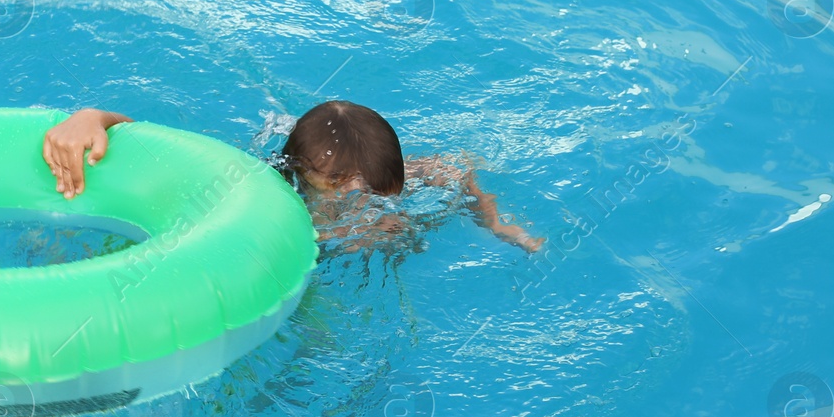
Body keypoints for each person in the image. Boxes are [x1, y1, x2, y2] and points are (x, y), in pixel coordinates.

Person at [41, 101, 542, 253]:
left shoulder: (381, 174)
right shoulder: (265, 182)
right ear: (306, 173)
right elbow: (172, 152)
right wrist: (92, 117)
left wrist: (496, 223)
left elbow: (456, 172)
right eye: (338, 183)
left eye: (364, 185)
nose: (353, 192)